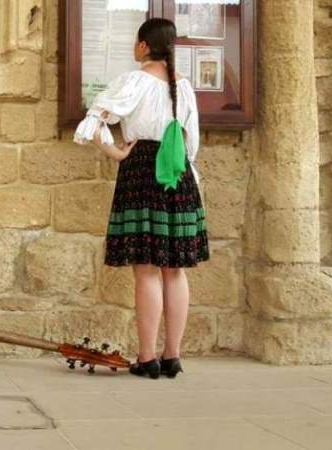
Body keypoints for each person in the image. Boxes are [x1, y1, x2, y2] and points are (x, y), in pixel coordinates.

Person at [73, 18, 209, 379]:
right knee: (174, 270)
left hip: (141, 173)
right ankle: (172, 357)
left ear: (144, 46)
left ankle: (147, 358)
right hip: (178, 174)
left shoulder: (133, 81)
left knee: (147, 270)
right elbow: (191, 144)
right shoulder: (186, 87)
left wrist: (116, 153)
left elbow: (92, 123)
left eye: (136, 42)